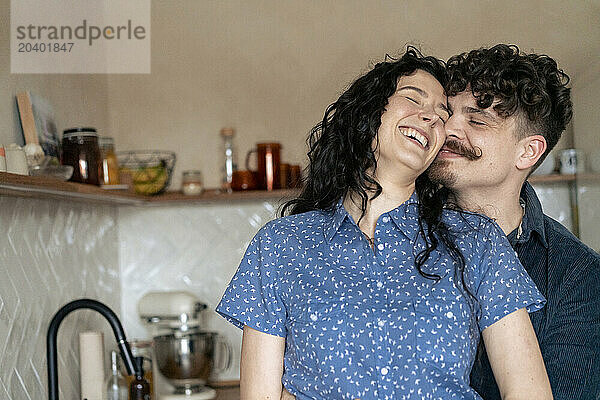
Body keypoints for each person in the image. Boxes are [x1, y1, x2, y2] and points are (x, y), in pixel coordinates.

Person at [216, 48, 552, 399]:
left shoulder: (478, 242)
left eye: (441, 113)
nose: (432, 119)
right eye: (413, 99)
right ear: (369, 112)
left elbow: (529, 392)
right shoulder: (280, 245)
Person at [428, 44, 600, 399]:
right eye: (448, 114)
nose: (447, 130)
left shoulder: (577, 276)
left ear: (528, 152)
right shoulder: (392, 232)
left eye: (477, 120)